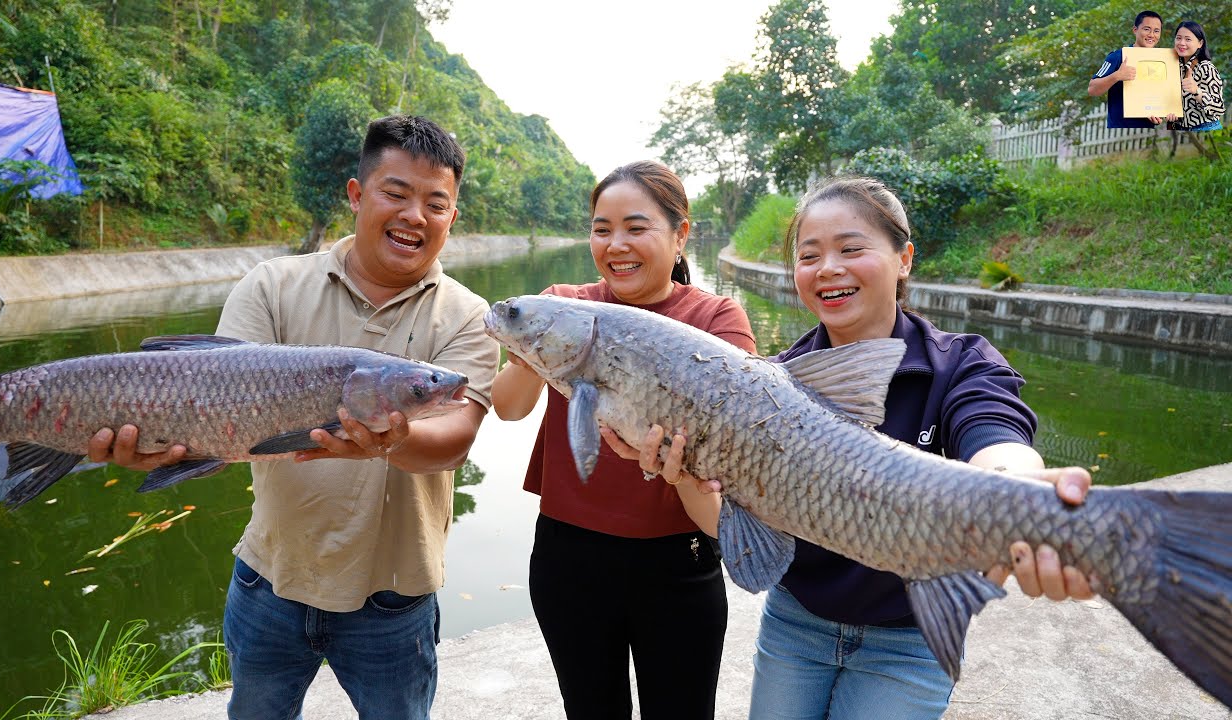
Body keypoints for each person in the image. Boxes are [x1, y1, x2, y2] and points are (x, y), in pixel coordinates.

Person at [632, 176, 1096, 720]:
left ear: (904, 259)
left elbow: (996, 437)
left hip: (913, 636)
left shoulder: (960, 364)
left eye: (851, 249)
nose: (828, 268)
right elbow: (726, 523)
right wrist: (686, 473)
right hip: (797, 622)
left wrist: (1017, 492)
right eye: (809, 256)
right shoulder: (769, 386)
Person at [87, 115, 499, 720]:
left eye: (435, 204)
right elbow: (212, 401)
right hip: (271, 579)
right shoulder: (273, 285)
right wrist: (160, 444)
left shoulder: (468, 315)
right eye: (395, 193)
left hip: (395, 596)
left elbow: (455, 438)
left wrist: (388, 440)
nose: (415, 215)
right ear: (357, 194)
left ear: (452, 217)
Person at [491, 160, 757, 719]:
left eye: (636, 228)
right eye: (601, 229)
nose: (616, 245)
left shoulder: (715, 317)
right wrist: (533, 347)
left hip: (678, 562)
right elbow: (509, 408)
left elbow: (738, 452)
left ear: (681, 234)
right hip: (569, 558)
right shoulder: (563, 304)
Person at [1088, 10, 1164, 128]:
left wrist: (1161, 113)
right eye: (1147, 29)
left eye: (1156, 31)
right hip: (1120, 128)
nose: (1151, 35)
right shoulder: (1118, 56)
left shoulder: (1163, 61)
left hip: (1149, 129)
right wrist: (1117, 75)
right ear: (1135, 30)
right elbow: (1092, 89)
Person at [1169, 21, 1225, 132]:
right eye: (1178, 38)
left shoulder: (1206, 68)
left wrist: (1197, 91)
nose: (1182, 43)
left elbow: (1219, 108)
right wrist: (1171, 116)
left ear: (1200, 43)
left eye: (1188, 39)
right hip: (1183, 130)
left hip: (1206, 129)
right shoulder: (1175, 67)